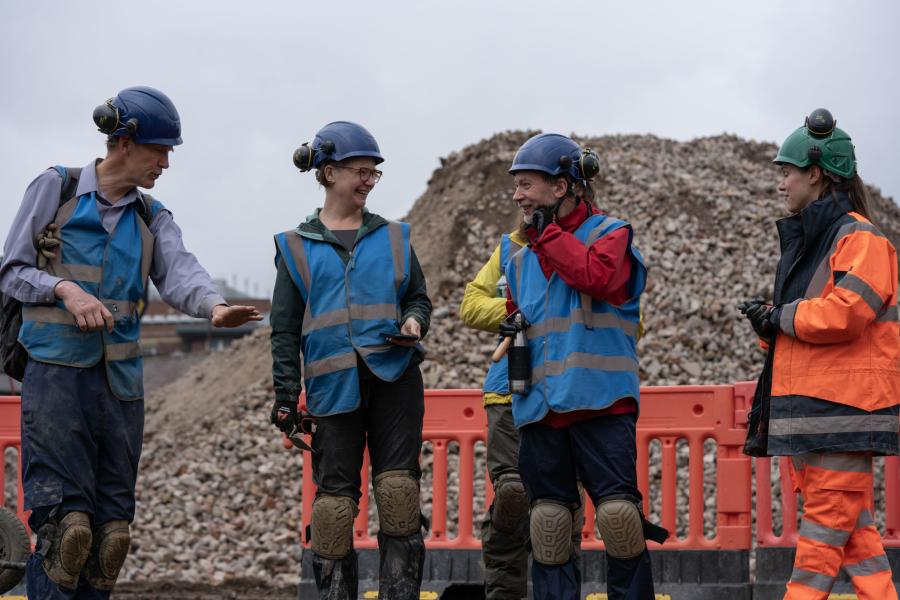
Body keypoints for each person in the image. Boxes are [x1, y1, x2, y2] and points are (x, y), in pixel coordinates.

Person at [0, 86, 262, 599]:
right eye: (158, 150)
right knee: (65, 532)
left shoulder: (150, 216)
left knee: (109, 538)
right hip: (56, 380)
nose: (165, 162)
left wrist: (214, 307)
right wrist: (63, 289)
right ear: (123, 142)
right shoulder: (56, 189)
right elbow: (11, 270)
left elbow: (181, 272)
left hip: (120, 388)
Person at [740, 109, 899, 600]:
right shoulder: (813, 242)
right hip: (813, 415)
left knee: (821, 543)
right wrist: (770, 324)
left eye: (785, 171)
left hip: (839, 416)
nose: (781, 182)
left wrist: (780, 316)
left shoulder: (862, 239)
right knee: (855, 539)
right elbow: (806, 327)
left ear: (815, 173)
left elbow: (847, 314)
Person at [270, 121, 432, 599]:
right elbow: (283, 330)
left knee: (400, 496)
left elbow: (418, 298)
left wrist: (415, 321)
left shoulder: (396, 237)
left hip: (395, 378)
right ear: (327, 173)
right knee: (334, 511)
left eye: (373, 173)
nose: (367, 180)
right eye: (360, 171)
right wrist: (284, 398)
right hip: (331, 388)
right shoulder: (294, 247)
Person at [501, 133, 665, 600]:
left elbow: (596, 278)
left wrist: (548, 235)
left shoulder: (612, 234)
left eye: (527, 184)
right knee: (549, 527)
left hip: (601, 402)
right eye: (517, 185)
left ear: (562, 187)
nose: (518, 195)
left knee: (619, 521)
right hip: (539, 408)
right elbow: (520, 326)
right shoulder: (516, 261)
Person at [459, 223, 532, 598]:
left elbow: (631, 318)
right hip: (507, 391)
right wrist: (513, 308)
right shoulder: (510, 247)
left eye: (527, 184)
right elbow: (470, 305)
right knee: (513, 495)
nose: (519, 195)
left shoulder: (595, 242)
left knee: (559, 512)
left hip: (568, 395)